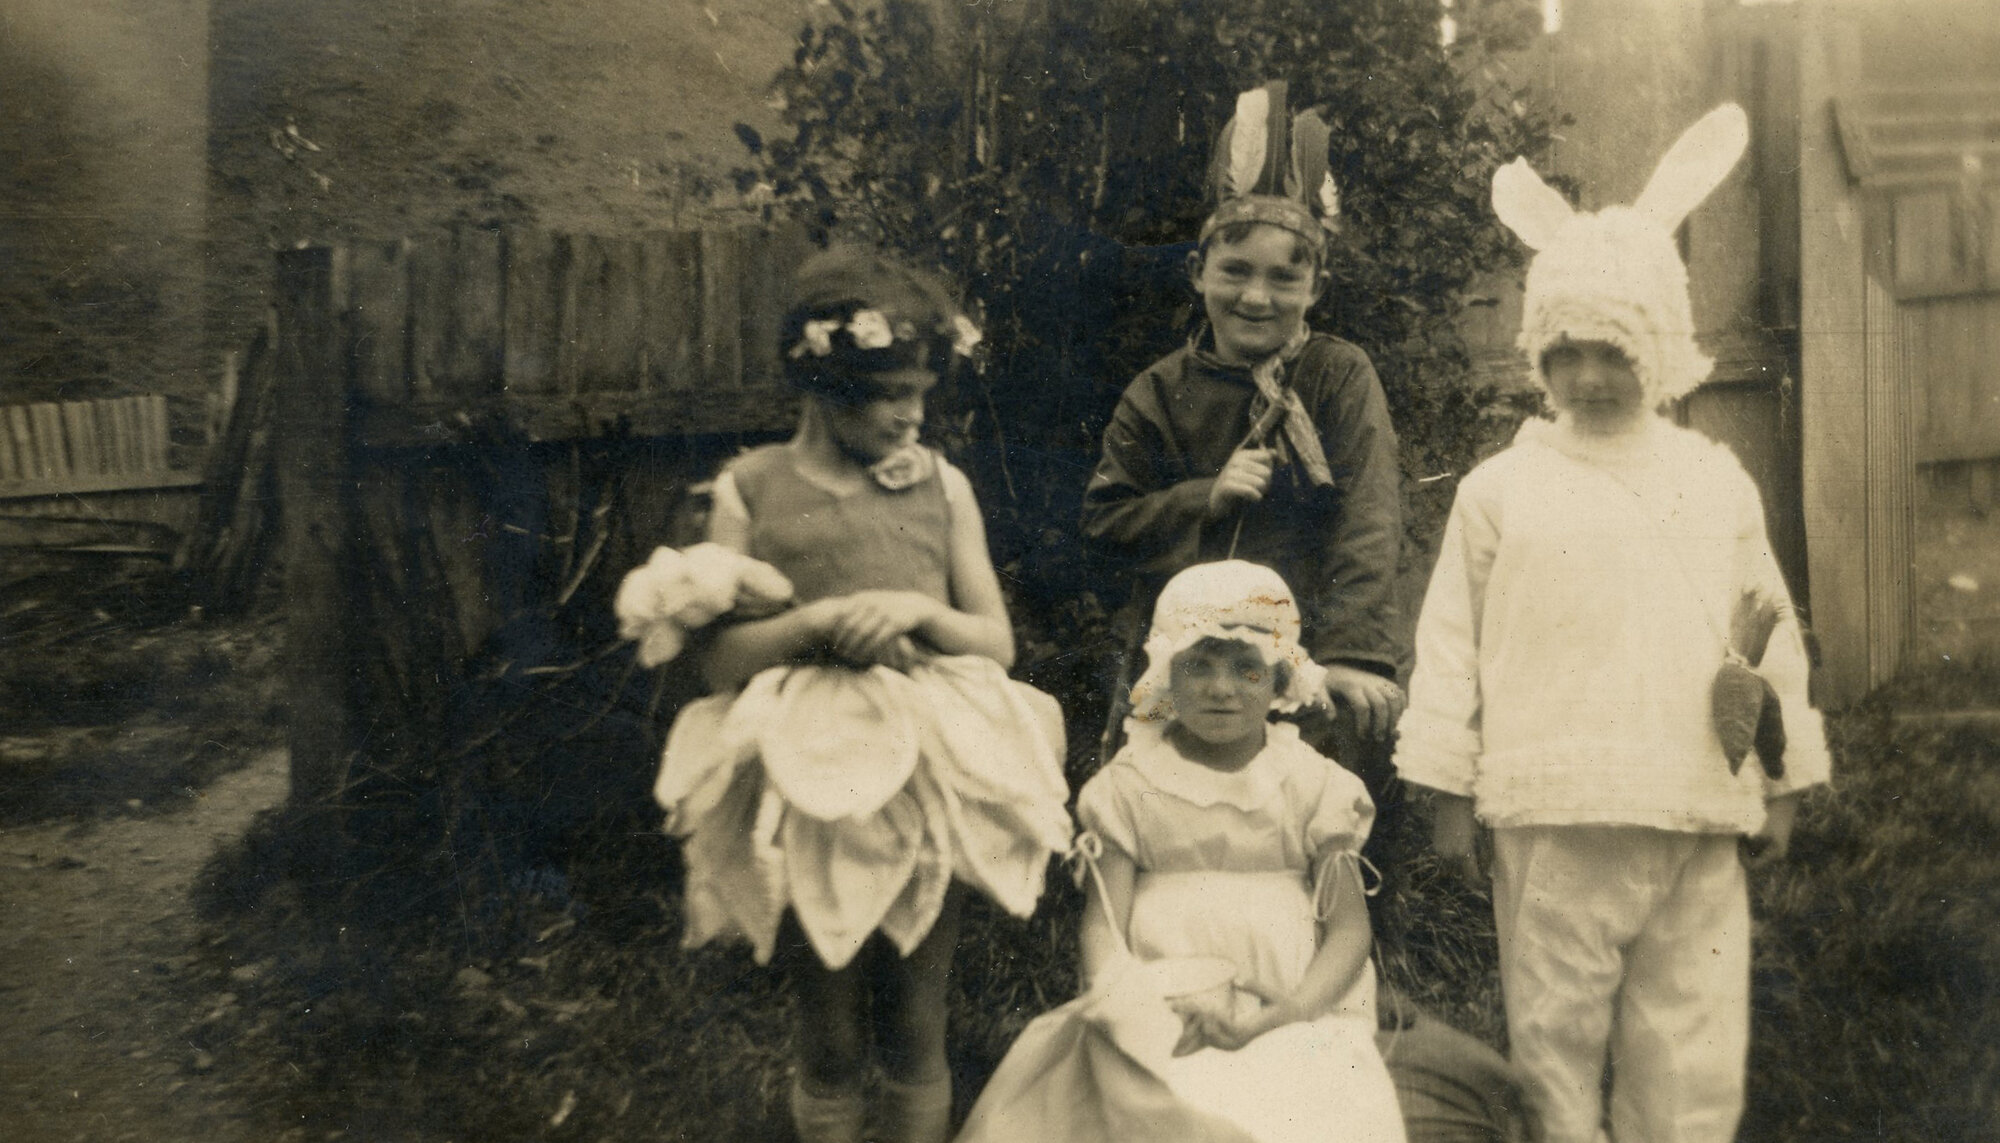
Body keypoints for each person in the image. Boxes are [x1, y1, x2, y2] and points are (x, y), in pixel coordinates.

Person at [1392, 104, 1832, 1143]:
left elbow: (1768, 633)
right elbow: (1448, 644)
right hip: (1553, 808)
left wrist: (1783, 778)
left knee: (1687, 1036)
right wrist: (1449, 791)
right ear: (1538, 351)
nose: (1590, 376)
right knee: (1553, 1030)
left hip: (1691, 796)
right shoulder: (1500, 490)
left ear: (1662, 347)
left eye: (1615, 351)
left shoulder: (1711, 479)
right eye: (1568, 351)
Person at [642, 247, 1072, 1143]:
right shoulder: (750, 488)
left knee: (917, 1024)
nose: (914, 414)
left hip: (923, 763)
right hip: (807, 771)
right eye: (892, 395)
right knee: (830, 1031)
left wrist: (919, 608)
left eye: (925, 392)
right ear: (825, 388)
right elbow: (720, 665)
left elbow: (994, 641)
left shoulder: (941, 486)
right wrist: (818, 624)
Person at [958, 560, 1406, 1143]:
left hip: (1291, 1004)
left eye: (1247, 670)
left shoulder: (1314, 784)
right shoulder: (1130, 784)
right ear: (1168, 675)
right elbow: (1104, 926)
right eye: (1199, 666)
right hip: (1156, 1006)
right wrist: (1124, 1006)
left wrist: (1291, 1012)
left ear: (1280, 680)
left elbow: (1349, 931)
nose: (1221, 689)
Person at [1079, 81, 1406, 821]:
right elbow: (1104, 522)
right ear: (1198, 274)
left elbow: (1370, 517)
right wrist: (1205, 495)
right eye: (1235, 272)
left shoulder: (1336, 374)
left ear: (1315, 286)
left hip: (1308, 649)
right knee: (1180, 816)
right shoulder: (1158, 392)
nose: (1256, 297)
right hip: (1191, 666)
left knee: (1304, 821)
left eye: (1283, 277)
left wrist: (1352, 656)